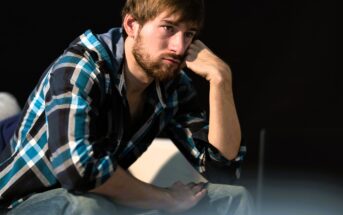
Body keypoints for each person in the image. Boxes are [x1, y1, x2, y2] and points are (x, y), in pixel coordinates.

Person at [0, 0, 254, 214]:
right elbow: (79, 170)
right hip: (20, 203)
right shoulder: (82, 66)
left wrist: (221, 79)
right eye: (168, 28)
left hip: (104, 198)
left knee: (230, 197)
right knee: (86, 207)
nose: (179, 47)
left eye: (189, 34)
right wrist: (164, 198)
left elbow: (221, 169)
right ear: (132, 25)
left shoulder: (173, 86)